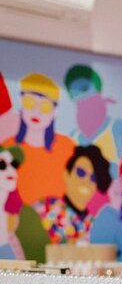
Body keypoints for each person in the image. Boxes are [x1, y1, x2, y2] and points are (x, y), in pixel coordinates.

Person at [2, 73, 75, 205]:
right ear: (21, 103)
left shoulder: (67, 147)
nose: (36, 111)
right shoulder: (8, 148)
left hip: (56, 222)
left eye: (45, 106)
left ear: (55, 111)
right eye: (29, 102)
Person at [64, 64, 122, 173]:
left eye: (85, 89)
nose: (82, 97)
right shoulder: (73, 137)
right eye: (75, 93)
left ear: (98, 89)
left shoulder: (119, 128)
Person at [35, 145, 112, 244]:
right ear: (66, 175)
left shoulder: (94, 224)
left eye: (93, 178)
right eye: (81, 172)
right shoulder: (45, 207)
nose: (86, 181)